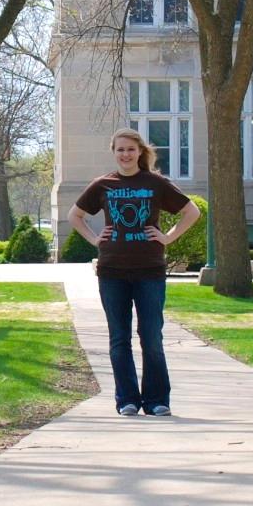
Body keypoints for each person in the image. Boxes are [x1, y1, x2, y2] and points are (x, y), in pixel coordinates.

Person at [67, 128, 202, 417]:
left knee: (151, 336)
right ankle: (126, 399)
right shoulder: (103, 184)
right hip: (112, 272)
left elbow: (192, 212)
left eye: (130, 149)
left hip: (150, 271)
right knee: (119, 337)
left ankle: (156, 400)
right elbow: (74, 216)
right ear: (113, 152)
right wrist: (94, 239)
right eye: (120, 150)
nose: (125, 154)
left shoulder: (155, 183)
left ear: (140, 152)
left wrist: (168, 236)